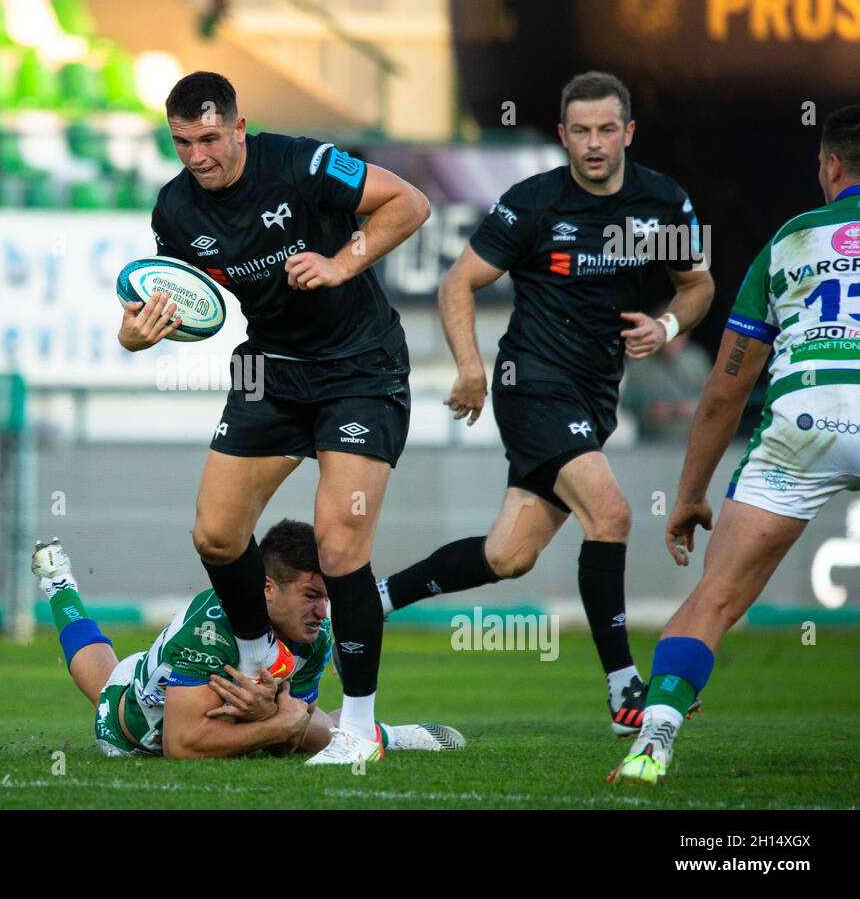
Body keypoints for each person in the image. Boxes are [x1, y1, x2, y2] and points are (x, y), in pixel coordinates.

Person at [375, 71, 714, 733]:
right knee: (611, 513)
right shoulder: (532, 204)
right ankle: (624, 693)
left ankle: (377, 598)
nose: (594, 144)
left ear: (628, 133)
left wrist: (667, 325)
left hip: (593, 396)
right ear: (563, 135)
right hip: (529, 381)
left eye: (607, 130)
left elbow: (697, 284)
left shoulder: (660, 201)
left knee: (509, 555)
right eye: (581, 131)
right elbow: (457, 283)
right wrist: (471, 369)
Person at [118, 71, 431, 764]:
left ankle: (356, 732)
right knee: (216, 534)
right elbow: (177, 302)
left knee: (341, 544)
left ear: (238, 128)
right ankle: (266, 661)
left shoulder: (303, 162)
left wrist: (341, 262)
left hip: (361, 369)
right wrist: (136, 334)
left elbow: (409, 204)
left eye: (208, 139)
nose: (197, 157)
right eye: (181, 143)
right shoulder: (175, 211)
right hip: (272, 372)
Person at [610, 104, 860, 785]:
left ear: (830, 165)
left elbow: (725, 388)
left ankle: (651, 745)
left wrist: (690, 495)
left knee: (714, 599)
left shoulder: (789, 241)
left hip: (804, 422)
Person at [32, 520, 465, 759]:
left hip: (193, 694)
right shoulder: (210, 629)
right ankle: (58, 583)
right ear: (267, 589)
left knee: (312, 728)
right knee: (101, 677)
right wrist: (275, 719)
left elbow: (292, 737)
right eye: (311, 596)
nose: (322, 610)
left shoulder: (316, 634)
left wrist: (278, 715)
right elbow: (181, 746)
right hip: (134, 726)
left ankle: (377, 733)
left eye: (327, 597)